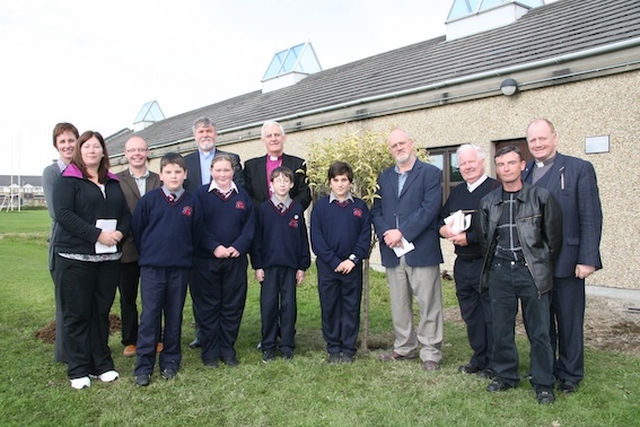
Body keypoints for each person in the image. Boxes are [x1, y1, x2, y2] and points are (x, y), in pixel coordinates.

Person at [522, 118, 603, 394]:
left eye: (543, 138)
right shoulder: (524, 173)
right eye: (533, 140)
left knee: (568, 321)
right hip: (534, 265)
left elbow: (590, 215)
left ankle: (570, 374)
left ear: (555, 138)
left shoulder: (579, 168)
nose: (538, 144)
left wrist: (588, 258)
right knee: (540, 322)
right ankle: (544, 368)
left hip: (568, 262)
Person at [478, 145, 562, 404]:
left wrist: (538, 265)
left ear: (522, 165)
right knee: (502, 329)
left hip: (531, 272)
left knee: (539, 332)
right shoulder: (489, 202)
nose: (506, 169)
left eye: (511, 163)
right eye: (501, 164)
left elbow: (553, 239)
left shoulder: (541, 197)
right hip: (501, 272)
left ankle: (543, 382)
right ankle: (506, 375)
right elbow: (485, 240)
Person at [52, 131, 131, 390]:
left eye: (97, 146)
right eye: (87, 146)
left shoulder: (112, 182)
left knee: (100, 312)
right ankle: (78, 368)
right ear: (79, 150)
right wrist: (96, 234)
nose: (92, 150)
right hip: (75, 258)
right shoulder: (68, 180)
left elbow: (125, 214)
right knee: (77, 314)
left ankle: (102, 364)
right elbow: (64, 214)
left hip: (108, 259)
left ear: (103, 151)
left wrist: (120, 232)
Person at [371, 129, 444, 372]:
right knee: (399, 303)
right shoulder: (383, 177)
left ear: (411, 144)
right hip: (393, 250)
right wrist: (387, 233)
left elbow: (430, 208)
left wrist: (402, 232)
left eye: (402, 143)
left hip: (421, 248)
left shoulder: (431, 174)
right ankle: (404, 347)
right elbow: (376, 210)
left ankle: (430, 351)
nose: (399, 148)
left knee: (428, 302)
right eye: (394, 145)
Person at [132, 153, 205, 387]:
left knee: (174, 316)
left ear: (185, 174)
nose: (173, 176)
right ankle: (144, 365)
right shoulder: (149, 200)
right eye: (169, 172)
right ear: (161, 175)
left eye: (178, 172)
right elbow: (138, 231)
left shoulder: (192, 202)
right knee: (150, 317)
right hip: (153, 269)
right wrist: (153, 254)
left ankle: (170, 361)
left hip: (179, 269)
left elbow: (196, 234)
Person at [183, 116, 243, 349]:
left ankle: (225, 334)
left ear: (215, 133)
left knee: (228, 293)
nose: (205, 135)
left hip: (228, 234)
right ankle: (202, 332)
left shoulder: (232, 159)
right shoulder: (186, 161)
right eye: (200, 132)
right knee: (200, 290)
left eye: (208, 131)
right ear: (194, 136)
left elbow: (241, 195)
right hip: (197, 236)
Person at [439, 144, 497, 379]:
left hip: (488, 263)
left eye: (471, 162)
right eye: (462, 164)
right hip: (463, 264)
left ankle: (495, 361)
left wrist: (469, 237)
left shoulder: (495, 188)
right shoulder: (458, 192)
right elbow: (441, 220)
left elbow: (497, 227)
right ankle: (479, 357)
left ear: (482, 162)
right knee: (471, 314)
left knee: (491, 314)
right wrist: (444, 230)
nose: (467, 167)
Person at [191, 155, 255, 367]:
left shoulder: (242, 196)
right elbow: (198, 226)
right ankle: (209, 352)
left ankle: (227, 349)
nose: (222, 174)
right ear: (211, 171)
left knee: (232, 306)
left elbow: (249, 226)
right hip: (206, 261)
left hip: (235, 261)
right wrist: (214, 247)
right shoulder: (200, 195)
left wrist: (238, 246)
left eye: (226, 170)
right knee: (208, 307)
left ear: (233, 171)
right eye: (218, 170)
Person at [310, 161, 371, 363]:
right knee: (330, 307)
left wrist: (352, 260)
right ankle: (334, 349)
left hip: (352, 267)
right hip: (328, 267)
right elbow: (316, 239)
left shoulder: (360, 207)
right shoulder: (320, 207)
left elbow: (365, 237)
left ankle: (348, 349)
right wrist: (334, 261)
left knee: (351, 307)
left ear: (350, 182)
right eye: (336, 180)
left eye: (344, 180)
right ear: (330, 183)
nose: (340, 184)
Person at [251, 166, 311, 362]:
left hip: (290, 267)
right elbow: (257, 240)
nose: (282, 184)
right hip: (268, 267)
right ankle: (268, 344)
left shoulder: (296, 209)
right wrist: (257, 265)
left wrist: (302, 266)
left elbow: (302, 239)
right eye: (278, 181)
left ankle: (287, 345)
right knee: (268, 306)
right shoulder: (263, 209)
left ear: (292, 185)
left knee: (288, 306)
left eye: (286, 181)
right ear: (271, 185)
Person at [116, 136, 161, 358]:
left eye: (141, 150)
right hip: (128, 247)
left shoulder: (159, 179)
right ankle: (131, 340)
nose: (137, 153)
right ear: (125, 153)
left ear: (147, 152)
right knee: (128, 296)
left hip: (155, 247)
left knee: (155, 296)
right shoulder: (116, 180)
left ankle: (156, 337)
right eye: (132, 150)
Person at [42, 122, 79, 364]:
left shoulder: (84, 170)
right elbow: (58, 212)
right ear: (56, 145)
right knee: (65, 303)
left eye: (70, 140)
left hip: (85, 248)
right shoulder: (52, 173)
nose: (67, 145)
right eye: (62, 141)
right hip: (62, 246)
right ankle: (65, 354)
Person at [243, 120, 311, 211]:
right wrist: (265, 210)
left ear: (284, 138)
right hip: (260, 219)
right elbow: (246, 196)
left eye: (277, 135)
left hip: (290, 219)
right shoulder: (251, 167)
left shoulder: (298, 164)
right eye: (269, 136)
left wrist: (287, 209)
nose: (273, 139)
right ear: (263, 140)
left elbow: (304, 195)